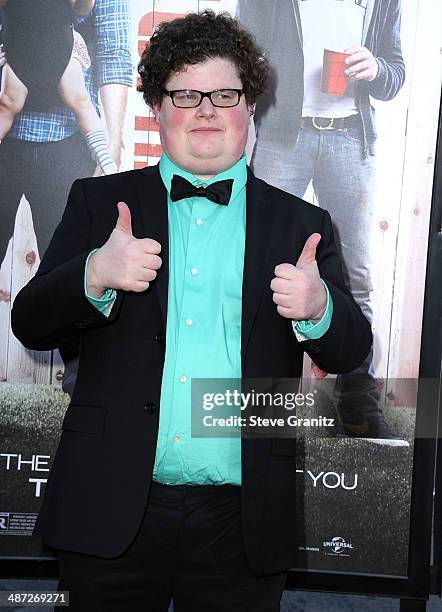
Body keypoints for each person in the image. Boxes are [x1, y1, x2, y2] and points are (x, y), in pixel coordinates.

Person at [11, 11, 372, 612]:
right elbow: (29, 322)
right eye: (185, 94)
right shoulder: (98, 203)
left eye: (224, 94)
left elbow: (350, 350)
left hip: (243, 520)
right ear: (158, 106)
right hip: (110, 508)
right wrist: (94, 275)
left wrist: (318, 309)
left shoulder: (303, 225)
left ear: (249, 106)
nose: (206, 110)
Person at [237, 0, 406, 444]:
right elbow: (241, 54)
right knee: (265, 270)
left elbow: (396, 74)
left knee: (356, 278)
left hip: (351, 138)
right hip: (281, 140)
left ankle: (358, 403)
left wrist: (377, 70)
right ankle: (268, 400)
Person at [0, 0, 131, 276]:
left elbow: (113, 52)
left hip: (68, 141)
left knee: (66, 276)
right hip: (8, 128)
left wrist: (113, 142)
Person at [0, 0, 117, 175]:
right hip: (21, 45)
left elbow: (82, 9)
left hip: (58, 44)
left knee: (80, 100)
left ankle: (105, 158)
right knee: (8, 103)